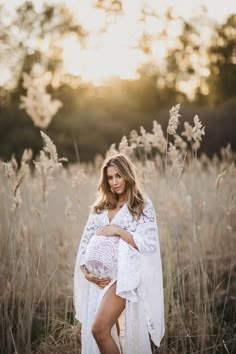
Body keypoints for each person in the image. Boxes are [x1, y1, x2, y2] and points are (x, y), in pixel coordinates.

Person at [74, 153, 165, 354]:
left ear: (128, 175)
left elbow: (149, 244)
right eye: (110, 177)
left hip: (124, 278)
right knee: (114, 333)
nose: (114, 182)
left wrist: (119, 231)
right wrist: (86, 272)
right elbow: (85, 243)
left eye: (118, 176)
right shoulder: (100, 207)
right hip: (100, 279)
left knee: (99, 329)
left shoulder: (141, 206)